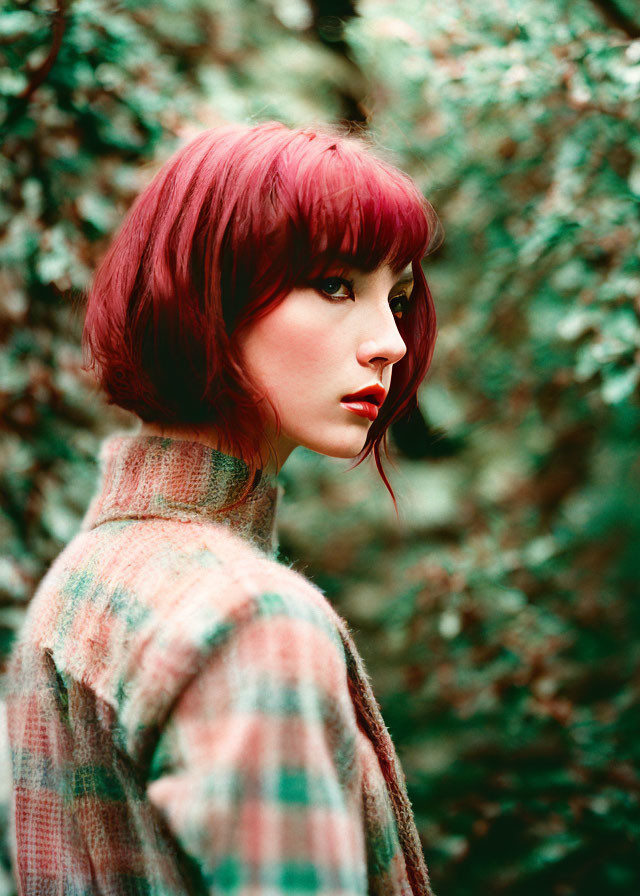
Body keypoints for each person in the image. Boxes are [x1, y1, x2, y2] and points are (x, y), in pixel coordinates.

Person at [6, 121, 440, 895]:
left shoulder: (82, 580)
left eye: (398, 298)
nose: (391, 343)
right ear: (209, 291)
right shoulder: (248, 617)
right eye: (336, 284)